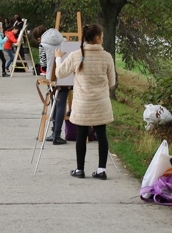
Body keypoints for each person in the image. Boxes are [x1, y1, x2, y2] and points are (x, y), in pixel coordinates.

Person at [55, 24, 116, 179]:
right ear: (97, 38)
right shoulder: (107, 56)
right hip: (101, 103)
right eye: (101, 36)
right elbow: (112, 82)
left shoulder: (76, 55)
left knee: (81, 135)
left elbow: (60, 73)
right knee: (101, 134)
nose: (102, 38)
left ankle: (80, 169)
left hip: (82, 103)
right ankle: (101, 170)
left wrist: (57, 57)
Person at [32, 25, 67, 144]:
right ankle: (57, 134)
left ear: (39, 37)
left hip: (51, 78)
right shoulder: (64, 41)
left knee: (54, 103)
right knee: (62, 103)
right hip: (65, 76)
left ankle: (53, 133)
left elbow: (43, 64)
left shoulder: (43, 44)